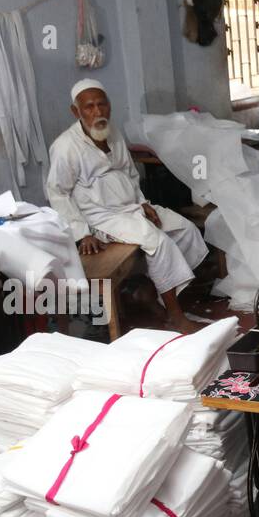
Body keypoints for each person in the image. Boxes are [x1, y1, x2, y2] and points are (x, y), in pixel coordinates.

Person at [45, 79, 207, 333]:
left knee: (186, 230)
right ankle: (175, 315)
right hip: (101, 217)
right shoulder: (66, 146)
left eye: (102, 104)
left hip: (131, 207)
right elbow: (57, 193)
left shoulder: (113, 132)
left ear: (109, 106)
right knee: (158, 242)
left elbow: (130, 174)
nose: (97, 112)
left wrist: (143, 203)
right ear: (76, 112)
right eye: (89, 107)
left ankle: (147, 293)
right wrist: (82, 232)